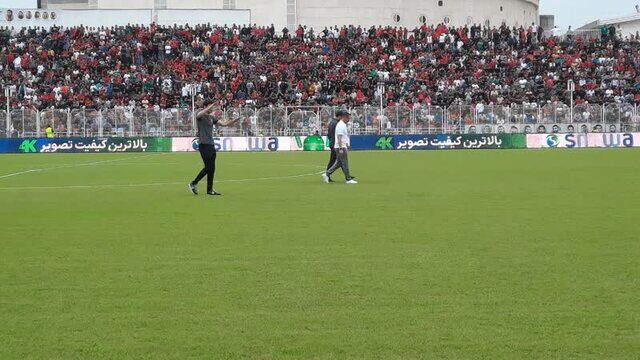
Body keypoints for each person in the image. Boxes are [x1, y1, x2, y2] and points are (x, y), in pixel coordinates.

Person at [188, 102, 238, 196]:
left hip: (211, 144)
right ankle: (193, 183)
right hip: (204, 144)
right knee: (208, 167)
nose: (213, 108)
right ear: (206, 106)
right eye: (211, 107)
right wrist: (209, 106)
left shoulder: (211, 118)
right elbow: (199, 115)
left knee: (212, 168)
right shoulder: (200, 115)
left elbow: (223, 124)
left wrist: (232, 122)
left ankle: (209, 190)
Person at [323, 110, 357, 184]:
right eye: (348, 118)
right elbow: (339, 137)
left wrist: (346, 144)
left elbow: (343, 137)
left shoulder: (342, 124)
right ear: (344, 117)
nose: (349, 119)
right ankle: (348, 179)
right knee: (345, 163)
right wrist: (341, 148)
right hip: (340, 147)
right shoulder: (341, 125)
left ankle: (327, 173)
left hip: (340, 146)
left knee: (338, 163)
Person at [325, 112, 340, 182]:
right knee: (335, 161)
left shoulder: (331, 122)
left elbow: (328, 134)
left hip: (332, 143)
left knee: (336, 160)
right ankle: (327, 174)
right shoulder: (336, 123)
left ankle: (347, 176)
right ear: (339, 116)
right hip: (335, 144)